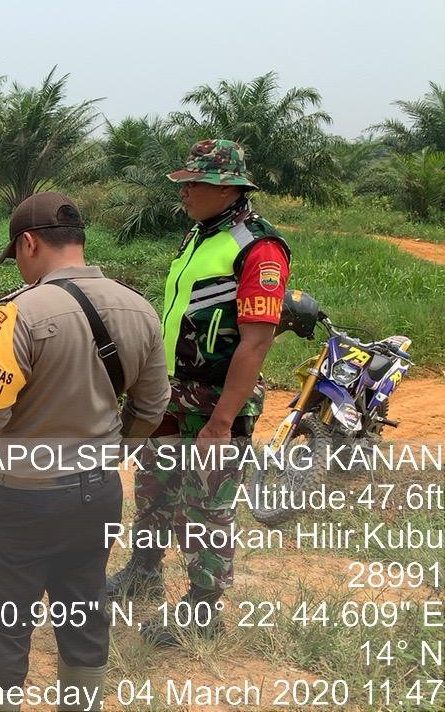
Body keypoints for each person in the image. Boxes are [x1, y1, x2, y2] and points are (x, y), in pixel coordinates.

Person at [0, 192, 170, 711]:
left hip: (25, 500)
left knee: (8, 627)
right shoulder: (139, 307)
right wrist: (112, 454)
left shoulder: (18, 313)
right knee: (83, 612)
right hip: (98, 495)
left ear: (29, 242)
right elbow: (153, 405)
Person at [107, 140, 291, 647]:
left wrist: (222, 421)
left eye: (195, 182)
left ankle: (203, 610)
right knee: (155, 489)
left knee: (206, 507)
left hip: (215, 401)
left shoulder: (259, 248)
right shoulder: (199, 234)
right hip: (171, 391)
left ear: (228, 188)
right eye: (184, 181)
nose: (184, 190)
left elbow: (254, 343)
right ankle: (143, 572)